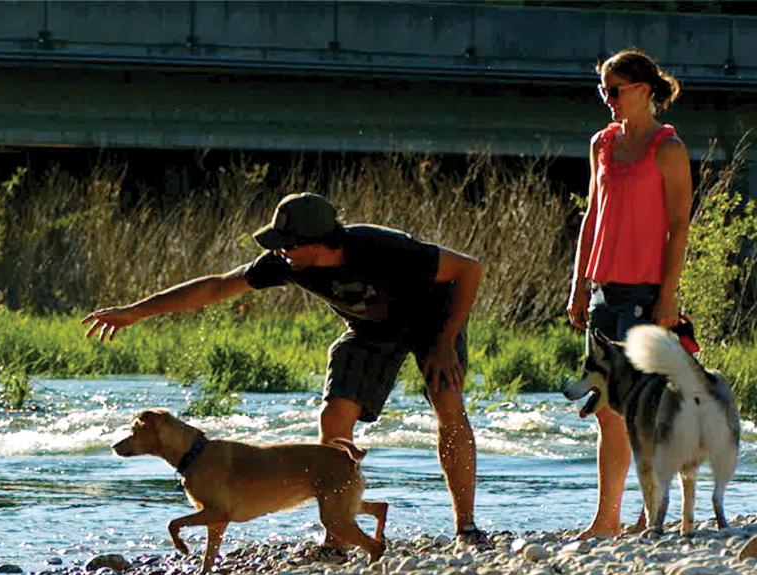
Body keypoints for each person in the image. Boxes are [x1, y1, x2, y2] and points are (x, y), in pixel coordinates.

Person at [83, 192, 488, 546]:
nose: (280, 252)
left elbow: (468, 269)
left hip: (433, 321)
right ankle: (339, 532)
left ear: (319, 243)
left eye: (288, 244)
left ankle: (466, 527)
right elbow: (218, 286)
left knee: (446, 400)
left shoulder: (382, 249)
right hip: (370, 329)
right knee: (334, 414)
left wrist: (443, 342)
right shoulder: (285, 262)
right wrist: (135, 312)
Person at [566, 48, 691, 539]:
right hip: (602, 288)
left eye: (614, 90)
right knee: (605, 410)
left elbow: (679, 226)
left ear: (643, 91)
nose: (608, 100)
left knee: (642, 409)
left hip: (645, 291)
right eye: (603, 91)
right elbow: (592, 219)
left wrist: (668, 297)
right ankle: (608, 518)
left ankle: (651, 511)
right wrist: (578, 285)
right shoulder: (601, 143)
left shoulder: (668, 148)